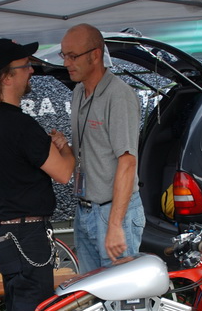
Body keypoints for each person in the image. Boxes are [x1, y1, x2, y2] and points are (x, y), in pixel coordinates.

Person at [0, 38, 75, 311]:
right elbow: (64, 172)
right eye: (25, 66)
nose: (31, 70)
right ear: (6, 77)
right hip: (26, 236)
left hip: (4, 234)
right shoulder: (20, 125)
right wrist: (65, 147)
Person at [55, 24, 144, 272]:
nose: (66, 63)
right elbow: (91, 152)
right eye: (64, 55)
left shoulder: (119, 95)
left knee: (121, 293)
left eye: (73, 56)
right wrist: (65, 147)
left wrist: (115, 225)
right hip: (84, 210)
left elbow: (128, 162)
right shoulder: (78, 91)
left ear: (95, 55)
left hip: (113, 212)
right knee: (92, 289)